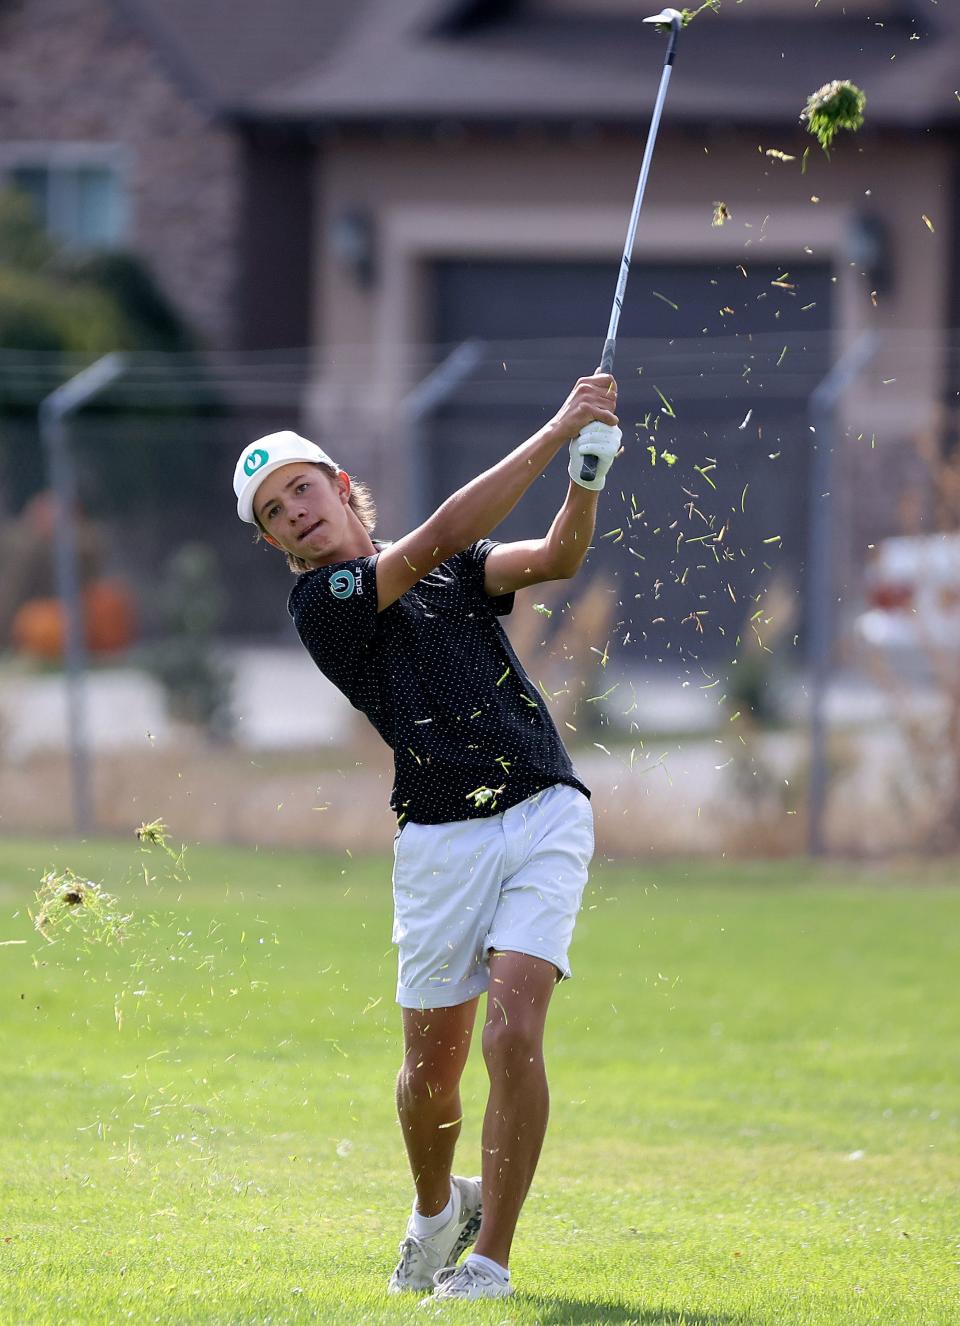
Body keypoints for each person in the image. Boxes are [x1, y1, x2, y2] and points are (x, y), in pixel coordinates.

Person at [233, 372, 621, 1303]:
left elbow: (556, 559)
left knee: (514, 1032)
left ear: (339, 481)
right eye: (275, 514)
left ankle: (490, 1263)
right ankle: (437, 1209)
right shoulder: (323, 603)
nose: (295, 513)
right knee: (427, 1078)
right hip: (441, 841)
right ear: (276, 543)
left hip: (543, 808)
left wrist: (588, 474)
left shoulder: (451, 567)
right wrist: (557, 421)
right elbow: (441, 530)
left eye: (301, 490)